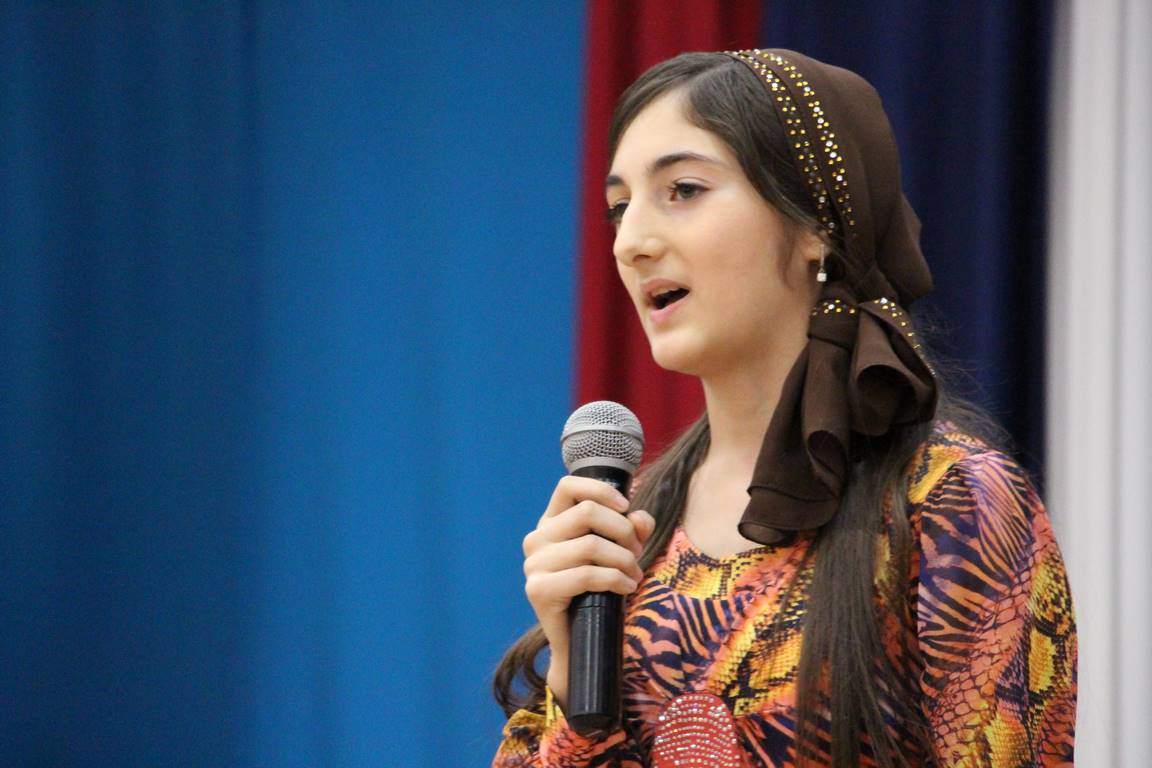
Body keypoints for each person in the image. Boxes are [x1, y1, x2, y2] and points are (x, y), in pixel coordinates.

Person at [491, 49, 1077, 768]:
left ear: (815, 224)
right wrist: (571, 679)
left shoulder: (950, 501)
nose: (632, 242)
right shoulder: (629, 527)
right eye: (619, 208)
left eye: (683, 189)